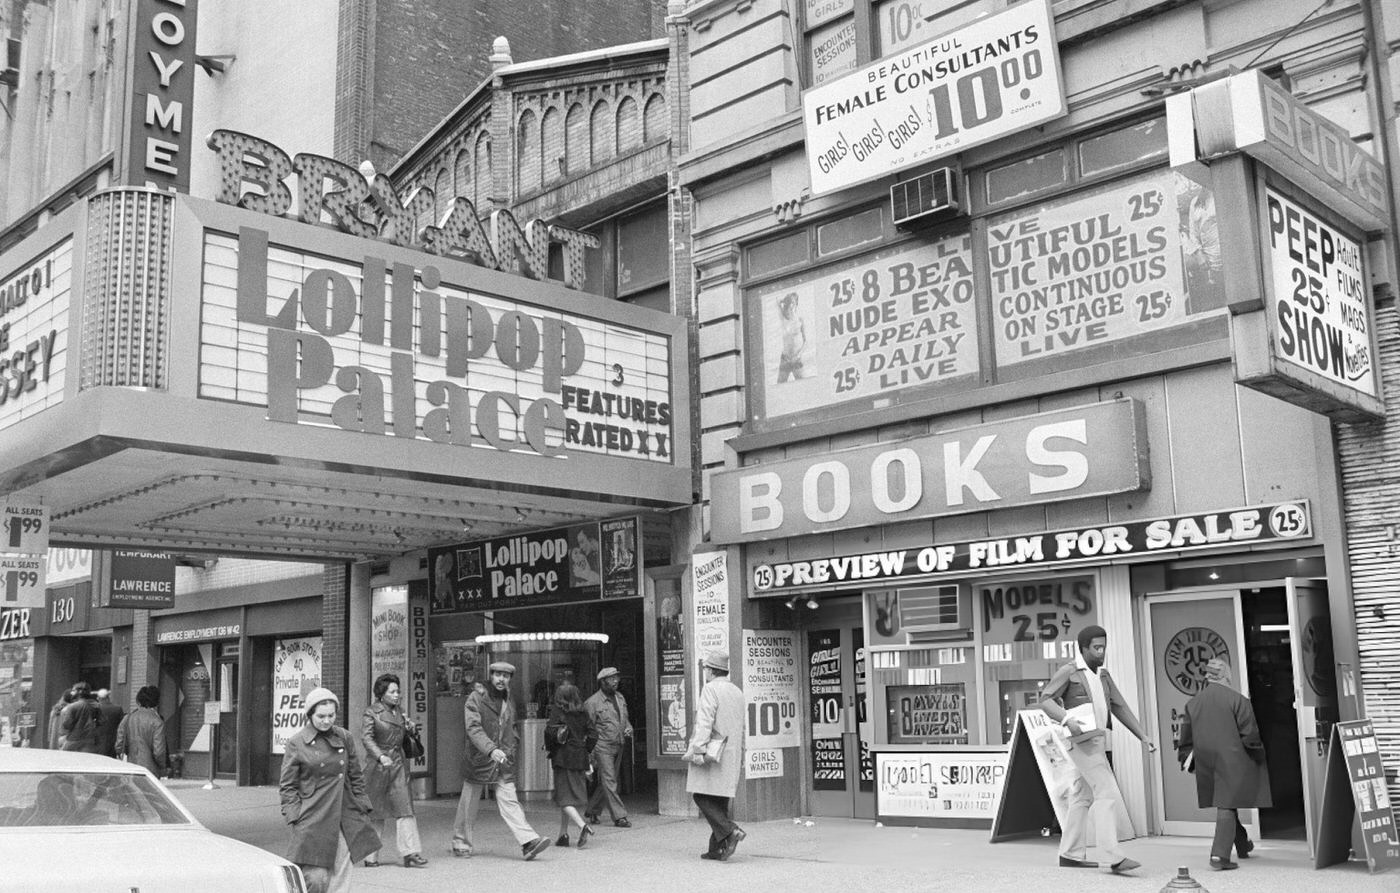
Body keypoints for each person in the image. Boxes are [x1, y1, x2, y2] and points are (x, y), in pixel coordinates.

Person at [1036, 624, 1158, 876]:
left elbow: (1119, 706)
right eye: (1096, 647)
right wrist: (1065, 718)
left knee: (1083, 796)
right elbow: (1045, 699)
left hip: (1096, 741)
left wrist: (1143, 736)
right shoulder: (1069, 671)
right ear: (1083, 648)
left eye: (1104, 647)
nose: (1102, 652)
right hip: (1081, 742)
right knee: (1107, 791)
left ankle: (1069, 853)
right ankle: (1112, 856)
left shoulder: (1103, 674)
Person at [278, 688, 380, 893]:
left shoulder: (345, 737)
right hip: (313, 814)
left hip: (345, 812)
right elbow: (288, 786)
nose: (326, 721)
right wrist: (294, 817)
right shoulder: (296, 743)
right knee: (316, 878)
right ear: (310, 715)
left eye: (331, 715)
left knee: (342, 870)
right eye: (321, 716)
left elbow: (355, 775)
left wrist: (363, 806)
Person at [450, 661, 552, 861]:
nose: (501, 679)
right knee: (469, 803)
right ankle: (460, 842)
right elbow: (473, 728)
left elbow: (511, 727)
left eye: (505, 676)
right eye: (497, 675)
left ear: (509, 679)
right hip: (480, 757)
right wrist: (491, 750)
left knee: (510, 801)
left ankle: (528, 842)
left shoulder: (509, 700)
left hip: (503, 759)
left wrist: (510, 749)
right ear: (491, 676)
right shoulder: (476, 698)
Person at [1177, 658, 1271, 871]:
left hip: (1207, 761)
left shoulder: (1193, 703)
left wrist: (1186, 760)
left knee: (1225, 800)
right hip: (1234, 759)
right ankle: (1219, 856)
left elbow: (1185, 739)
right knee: (1227, 804)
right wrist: (1259, 757)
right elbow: (1250, 735)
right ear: (1226, 675)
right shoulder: (1238, 700)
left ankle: (1242, 844)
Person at [361, 673, 428, 869]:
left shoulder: (400, 712)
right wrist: (380, 756)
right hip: (378, 767)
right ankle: (370, 856)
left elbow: (404, 736)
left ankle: (410, 853)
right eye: (393, 691)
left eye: (398, 691)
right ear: (382, 694)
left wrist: (411, 729)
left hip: (398, 764)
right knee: (376, 812)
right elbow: (366, 738)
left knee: (405, 808)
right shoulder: (370, 713)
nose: (397, 695)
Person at [685, 651, 746, 861]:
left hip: (712, 752)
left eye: (706, 669)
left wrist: (697, 750)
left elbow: (704, 722)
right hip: (731, 752)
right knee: (719, 800)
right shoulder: (736, 691)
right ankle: (717, 848)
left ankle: (730, 831)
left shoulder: (710, 689)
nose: (705, 673)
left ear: (711, 670)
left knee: (700, 795)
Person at [546, 682, 597, 848]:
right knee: (570, 797)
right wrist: (585, 749)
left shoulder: (557, 711)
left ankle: (582, 826)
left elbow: (549, 732)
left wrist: (550, 748)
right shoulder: (583, 713)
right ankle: (563, 834)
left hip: (562, 757)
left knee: (562, 797)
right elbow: (593, 735)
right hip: (579, 757)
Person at [583, 667, 632, 827]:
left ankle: (592, 810)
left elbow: (624, 718)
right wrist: (589, 752)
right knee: (610, 780)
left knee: (608, 780)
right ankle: (619, 816)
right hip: (602, 746)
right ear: (602, 682)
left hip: (619, 744)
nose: (616, 681)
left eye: (617, 678)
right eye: (611, 679)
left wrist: (628, 726)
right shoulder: (592, 703)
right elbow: (587, 728)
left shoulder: (620, 697)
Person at [115, 685, 168, 776]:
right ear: (156, 702)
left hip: (130, 766)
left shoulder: (127, 718)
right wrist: (163, 767)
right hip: (150, 770)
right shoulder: (157, 721)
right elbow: (159, 751)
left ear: (139, 701)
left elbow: (119, 745)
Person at [58, 682, 102, 753]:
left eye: (73, 690)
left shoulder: (72, 707)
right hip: (90, 739)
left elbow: (67, 725)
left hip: (73, 739)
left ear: (79, 692)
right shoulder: (96, 706)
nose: (72, 693)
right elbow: (101, 722)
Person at [776, 291, 810, 382]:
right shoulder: (783, 317)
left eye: (793, 303)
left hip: (796, 358)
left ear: (796, 304)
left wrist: (799, 355)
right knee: (780, 386)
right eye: (790, 303)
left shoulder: (800, 319)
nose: (791, 305)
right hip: (785, 359)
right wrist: (784, 300)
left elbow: (806, 341)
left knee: (804, 385)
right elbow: (777, 301)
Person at [94, 688, 124, 758]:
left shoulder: (96, 709)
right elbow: (122, 726)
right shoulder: (118, 709)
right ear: (108, 697)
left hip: (98, 742)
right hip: (113, 742)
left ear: (98, 698)